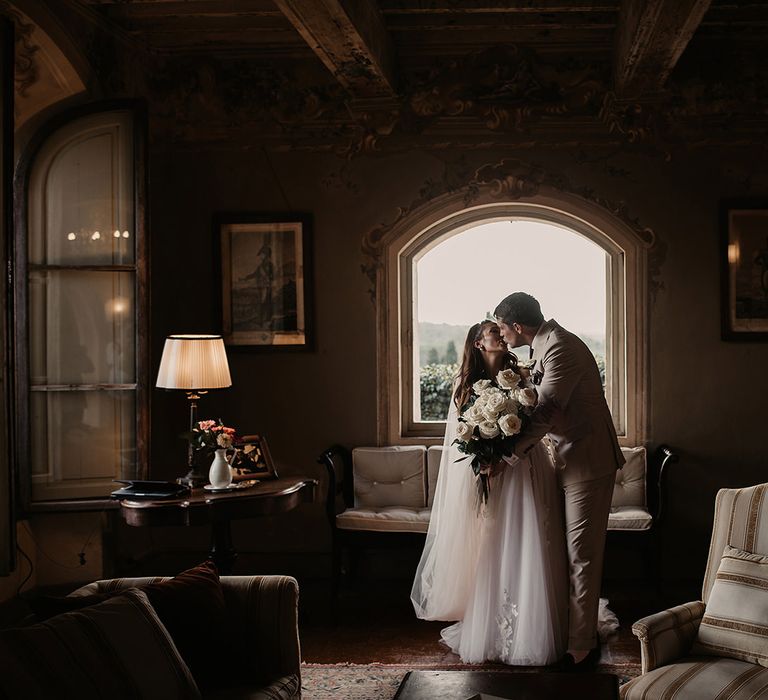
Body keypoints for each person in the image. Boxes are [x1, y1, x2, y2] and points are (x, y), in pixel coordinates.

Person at [411, 320, 568, 665]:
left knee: (534, 535)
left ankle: (541, 620)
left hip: (527, 466)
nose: (500, 335)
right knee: (500, 540)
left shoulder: (523, 375)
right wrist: (487, 460)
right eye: (492, 333)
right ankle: (499, 624)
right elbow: (465, 436)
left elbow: (538, 420)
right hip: (496, 472)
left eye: (501, 331)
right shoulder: (467, 386)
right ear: (480, 344)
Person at [493, 292, 625, 669]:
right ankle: (568, 630)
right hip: (563, 459)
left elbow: (548, 410)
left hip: (588, 462)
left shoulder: (561, 347)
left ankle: (581, 648)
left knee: (581, 556)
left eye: (503, 327)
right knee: (561, 551)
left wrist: (508, 455)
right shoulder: (542, 347)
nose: (501, 336)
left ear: (517, 326)